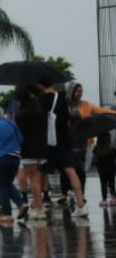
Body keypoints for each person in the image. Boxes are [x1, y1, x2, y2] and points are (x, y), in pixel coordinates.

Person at [37, 77, 87, 216]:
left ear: (40, 85)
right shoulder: (62, 98)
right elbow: (69, 117)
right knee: (71, 172)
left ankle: (42, 203)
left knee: (42, 172)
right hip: (64, 140)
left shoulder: (40, 100)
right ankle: (81, 205)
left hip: (48, 142)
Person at [13, 87, 47, 222]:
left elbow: (18, 133)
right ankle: (40, 205)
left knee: (33, 179)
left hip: (27, 149)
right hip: (41, 148)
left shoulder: (21, 115)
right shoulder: (40, 112)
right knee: (37, 177)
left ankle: (38, 208)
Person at [94, 132, 116, 206]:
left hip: (102, 170)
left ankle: (104, 200)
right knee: (112, 183)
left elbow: (94, 153)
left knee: (103, 184)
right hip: (111, 169)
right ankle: (113, 198)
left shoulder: (97, 149)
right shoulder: (112, 149)